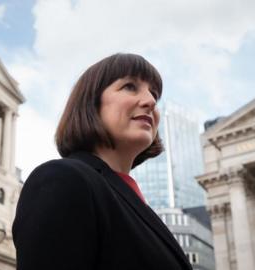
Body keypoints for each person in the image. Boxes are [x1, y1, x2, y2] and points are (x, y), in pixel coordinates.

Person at [12, 53, 192, 270]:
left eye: (154, 93)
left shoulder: (133, 201)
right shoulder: (62, 179)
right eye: (130, 86)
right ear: (91, 103)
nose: (151, 101)